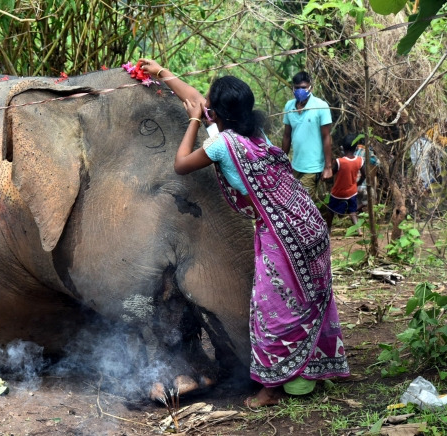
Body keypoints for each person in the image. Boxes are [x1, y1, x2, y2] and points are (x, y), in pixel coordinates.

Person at [138, 59, 349, 408]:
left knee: (272, 309)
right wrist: (161, 72)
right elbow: (200, 100)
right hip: (308, 222)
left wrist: (192, 120)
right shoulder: (254, 134)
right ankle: (313, 370)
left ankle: (271, 389)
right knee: (306, 301)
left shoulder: (222, 146)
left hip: (283, 234)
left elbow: (181, 163)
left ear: (217, 114)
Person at [281, 72, 333, 202]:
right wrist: (281, 161)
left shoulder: (321, 106)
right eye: (297, 87)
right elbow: (287, 136)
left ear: (311, 87)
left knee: (303, 203)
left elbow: (327, 137)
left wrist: (328, 167)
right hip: (295, 165)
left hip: (313, 167)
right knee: (291, 201)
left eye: (303, 87)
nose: (300, 91)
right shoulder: (289, 106)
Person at [326, 134, 366, 235]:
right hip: (352, 192)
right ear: (356, 148)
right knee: (352, 211)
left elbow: (331, 175)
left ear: (342, 148)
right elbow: (364, 175)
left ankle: (328, 230)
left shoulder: (339, 161)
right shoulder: (359, 160)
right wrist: (357, 184)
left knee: (330, 211)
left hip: (338, 192)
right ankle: (359, 230)